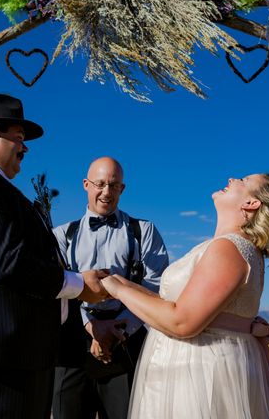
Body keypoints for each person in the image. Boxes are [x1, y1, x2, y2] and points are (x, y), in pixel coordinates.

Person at [0, 93, 109, 419]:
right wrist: (78, 284)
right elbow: (8, 262)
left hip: (23, 356)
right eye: (18, 137)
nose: (25, 147)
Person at [101, 173, 269, 419]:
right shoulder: (237, 248)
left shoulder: (229, 249)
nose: (231, 178)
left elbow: (182, 321)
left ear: (251, 203)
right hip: (201, 365)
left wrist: (118, 290)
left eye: (243, 180)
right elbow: (178, 306)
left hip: (198, 374)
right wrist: (121, 283)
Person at [52, 157, 169, 419]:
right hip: (72, 349)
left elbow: (157, 286)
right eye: (100, 184)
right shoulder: (60, 235)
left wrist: (118, 329)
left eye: (114, 186)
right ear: (85, 185)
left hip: (125, 346)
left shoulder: (144, 232)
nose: (106, 192)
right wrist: (91, 327)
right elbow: (56, 287)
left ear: (122, 189)